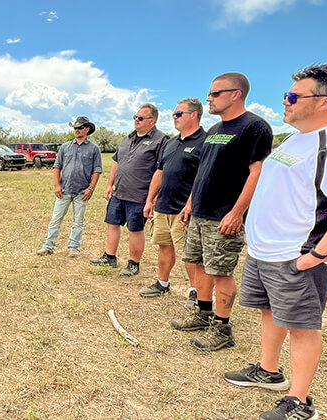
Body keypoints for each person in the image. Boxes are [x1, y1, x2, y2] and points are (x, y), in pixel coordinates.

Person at [224, 64, 327, 420]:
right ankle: (268, 370)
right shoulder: (295, 138)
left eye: (293, 96)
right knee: (270, 312)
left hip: (297, 255)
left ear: (325, 101)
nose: (285, 102)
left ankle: (299, 401)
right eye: (286, 95)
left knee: (302, 326)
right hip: (266, 252)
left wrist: (316, 255)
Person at [171, 72, 272, 352]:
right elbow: (203, 172)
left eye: (215, 93)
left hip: (224, 216)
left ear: (236, 94)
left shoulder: (254, 127)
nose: (209, 99)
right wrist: (190, 204)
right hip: (201, 213)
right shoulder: (214, 131)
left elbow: (257, 172)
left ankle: (223, 328)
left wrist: (237, 212)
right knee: (200, 265)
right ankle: (202, 314)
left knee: (221, 272)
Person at [139, 98, 206, 302]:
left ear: (193, 115)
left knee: (190, 254)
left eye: (178, 114)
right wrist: (150, 199)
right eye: (174, 114)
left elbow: (203, 178)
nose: (174, 118)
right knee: (164, 245)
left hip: (184, 210)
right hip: (163, 206)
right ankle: (163, 283)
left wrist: (190, 205)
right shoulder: (171, 142)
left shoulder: (204, 142)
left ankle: (196, 292)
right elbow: (159, 172)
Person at [90, 104, 168, 274]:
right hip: (119, 192)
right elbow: (117, 162)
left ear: (152, 121)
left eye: (140, 118)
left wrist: (154, 197)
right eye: (135, 117)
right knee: (112, 223)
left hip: (140, 195)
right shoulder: (128, 138)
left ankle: (134, 264)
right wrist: (110, 185)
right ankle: (109, 257)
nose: (136, 121)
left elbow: (162, 171)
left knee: (135, 229)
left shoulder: (161, 140)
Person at [36, 116, 103, 257]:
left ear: (87, 129)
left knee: (78, 222)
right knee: (55, 219)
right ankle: (48, 246)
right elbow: (57, 167)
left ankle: (73, 247)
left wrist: (91, 188)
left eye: (80, 128)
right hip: (64, 190)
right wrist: (56, 185)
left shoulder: (94, 149)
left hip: (82, 192)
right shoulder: (65, 147)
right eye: (75, 128)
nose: (77, 130)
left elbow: (97, 170)